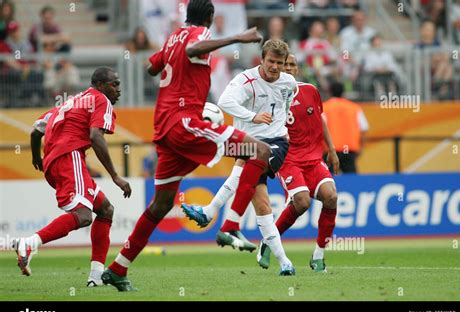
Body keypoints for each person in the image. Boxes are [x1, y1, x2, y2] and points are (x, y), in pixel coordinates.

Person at [102, 0, 268, 291]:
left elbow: (152, 67)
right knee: (260, 151)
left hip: (165, 131)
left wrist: (174, 64)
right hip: (185, 124)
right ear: (210, 18)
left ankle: (118, 267)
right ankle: (229, 225)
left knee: (162, 204)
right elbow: (193, 50)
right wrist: (237, 37)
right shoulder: (199, 35)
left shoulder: (172, 37)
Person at [182, 39, 297, 275]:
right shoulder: (246, 80)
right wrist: (252, 117)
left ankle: (212, 212)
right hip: (246, 141)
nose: (275, 67)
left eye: (279, 63)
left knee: (249, 167)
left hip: (275, 143)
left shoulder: (289, 83)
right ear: (261, 59)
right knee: (263, 204)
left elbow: (287, 102)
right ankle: (285, 262)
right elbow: (224, 102)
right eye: (271, 61)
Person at [12, 67, 131, 287]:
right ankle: (29, 243)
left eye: (118, 84)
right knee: (84, 215)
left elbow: (36, 131)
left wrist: (37, 158)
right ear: (99, 84)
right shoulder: (100, 100)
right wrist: (115, 176)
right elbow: (96, 136)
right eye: (114, 84)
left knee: (106, 210)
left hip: (55, 162)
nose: (118, 90)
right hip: (69, 158)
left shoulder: (70, 102)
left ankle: (96, 277)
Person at [257, 54, 339, 273]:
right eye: (286, 65)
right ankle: (269, 239)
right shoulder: (268, 94)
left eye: (293, 65)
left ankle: (318, 257)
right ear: (279, 68)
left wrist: (331, 150)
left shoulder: (311, 91)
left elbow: (320, 120)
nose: (290, 68)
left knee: (331, 196)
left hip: (313, 158)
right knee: (302, 202)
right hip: (289, 157)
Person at [323, 81, 369, 173]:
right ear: (343, 92)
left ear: (330, 92)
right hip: (347, 149)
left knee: (328, 180)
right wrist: (361, 148)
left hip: (330, 150)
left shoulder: (324, 107)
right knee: (351, 180)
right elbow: (364, 128)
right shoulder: (354, 107)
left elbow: (319, 128)